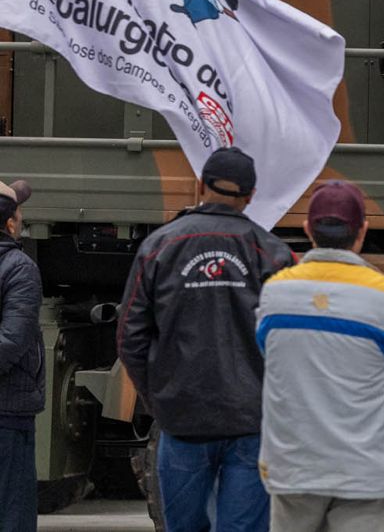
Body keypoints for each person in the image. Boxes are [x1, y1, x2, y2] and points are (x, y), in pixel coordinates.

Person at [114, 148, 294, 532]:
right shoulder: (274, 254)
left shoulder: (158, 247)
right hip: (252, 421)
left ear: (199, 185)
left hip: (182, 419)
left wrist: (159, 397)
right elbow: (292, 342)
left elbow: (130, 335)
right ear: (251, 195)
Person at [256, 181, 384, 531]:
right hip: (367, 471)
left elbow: (269, 359)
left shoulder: (274, 293)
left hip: (293, 466)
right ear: (362, 230)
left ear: (307, 229)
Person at [0, 181, 42, 532]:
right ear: (11, 223)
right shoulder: (19, 268)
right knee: (13, 513)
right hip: (7, 411)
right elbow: (12, 340)